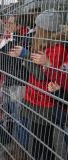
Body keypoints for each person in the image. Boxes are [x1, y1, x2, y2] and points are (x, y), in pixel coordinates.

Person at [9, 9, 68, 160]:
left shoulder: (57, 48)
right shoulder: (45, 44)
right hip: (35, 96)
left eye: (37, 26)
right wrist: (25, 56)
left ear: (44, 29)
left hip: (44, 100)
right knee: (38, 140)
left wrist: (25, 55)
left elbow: (43, 75)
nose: (35, 29)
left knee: (43, 141)